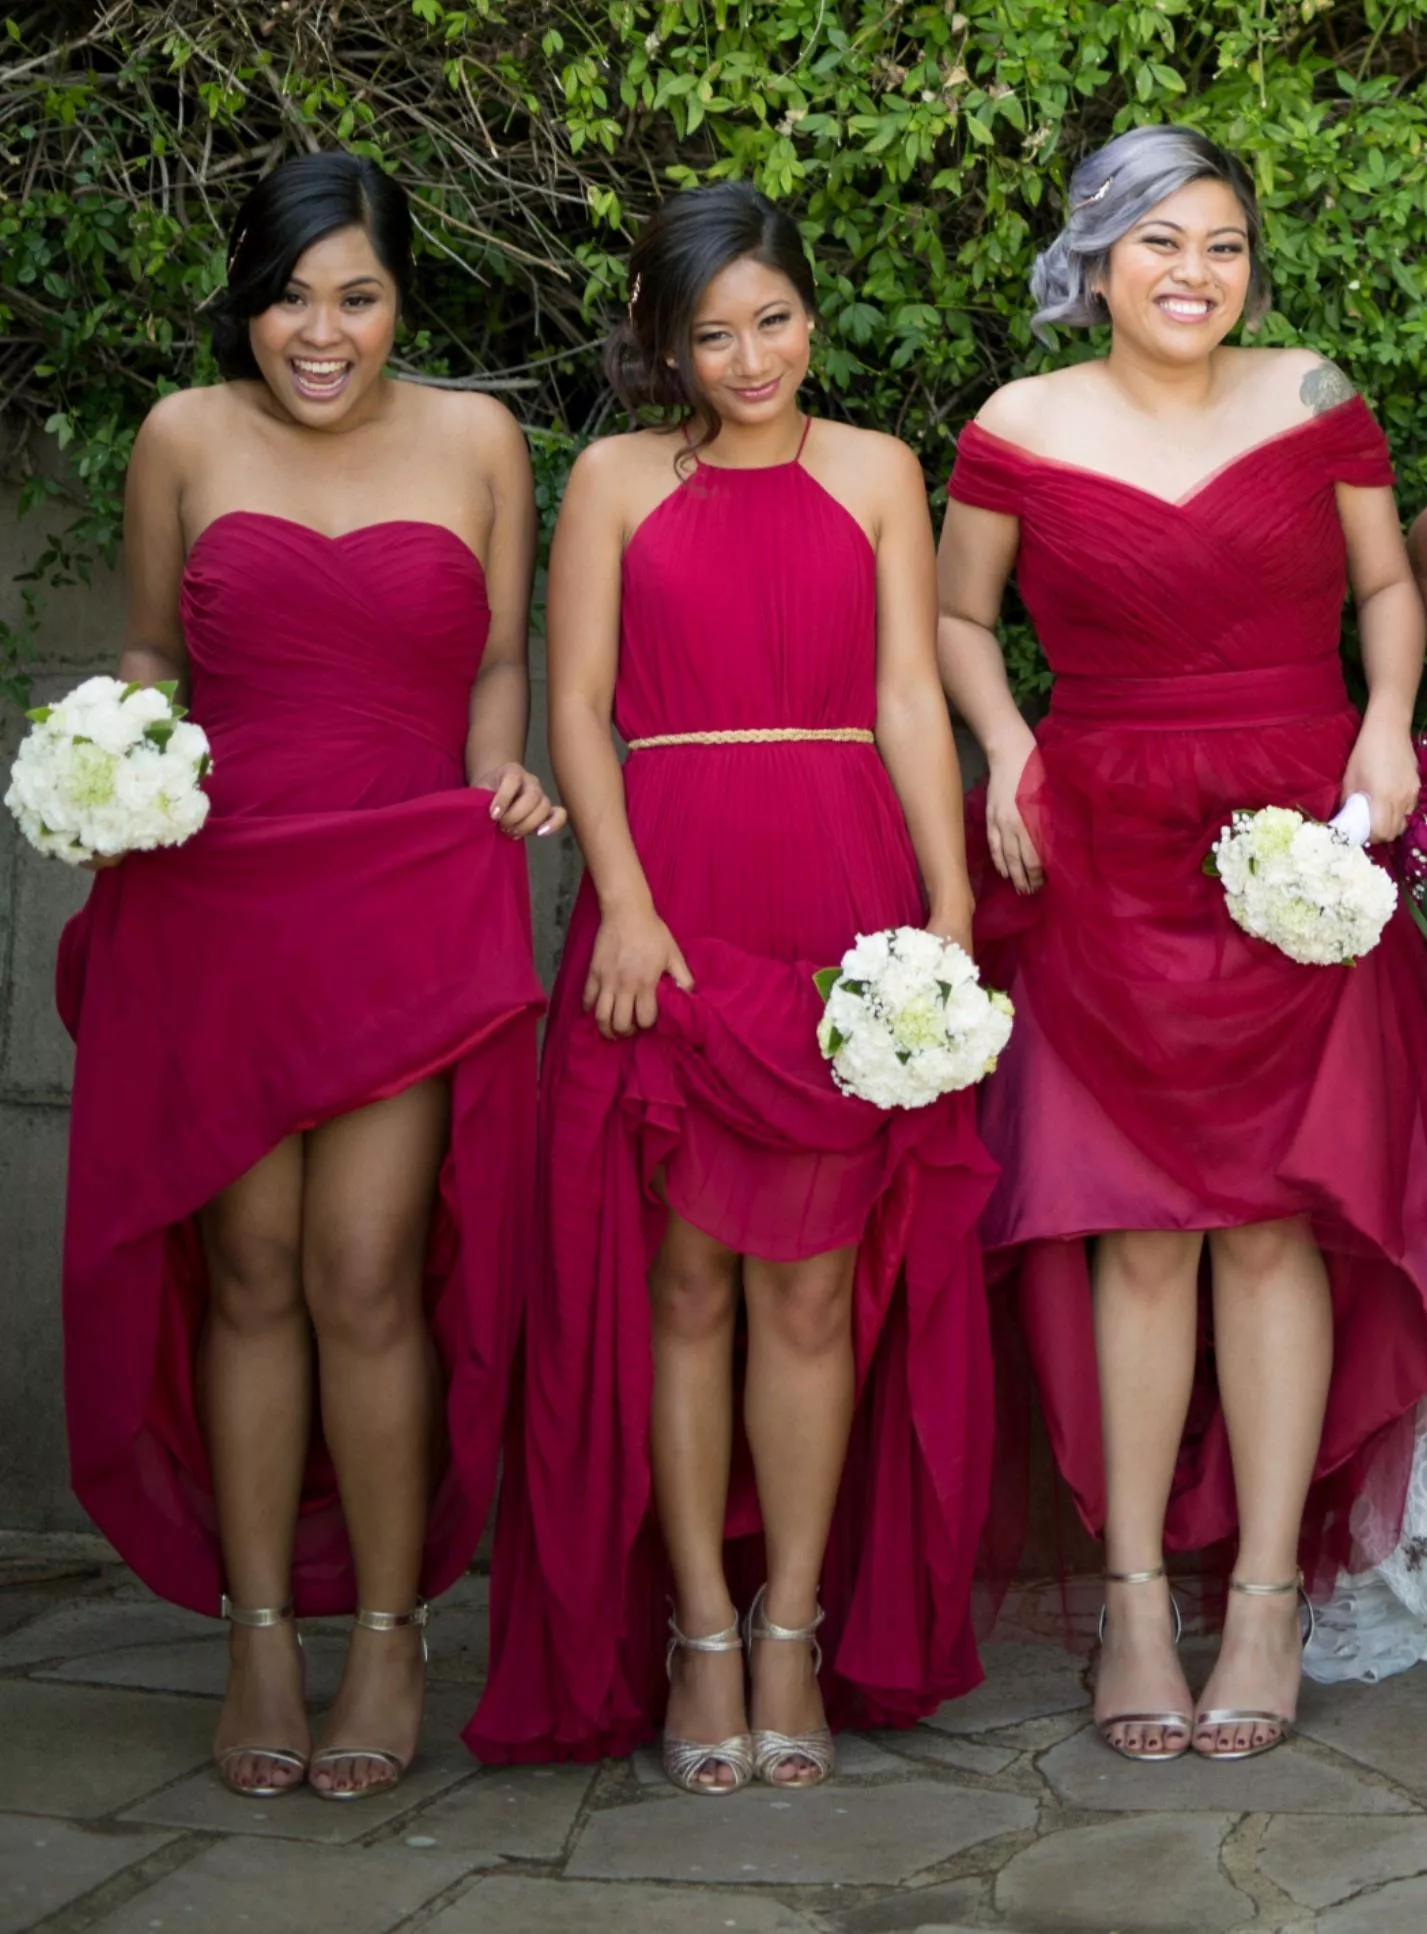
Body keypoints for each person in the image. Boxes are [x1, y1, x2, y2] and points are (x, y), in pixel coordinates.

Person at [465, 181, 998, 1792]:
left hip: (847, 903)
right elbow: (570, 706)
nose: (749, 356)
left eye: (772, 319)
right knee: (679, 1282)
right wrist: (618, 906)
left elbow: (911, 696)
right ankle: (698, 1631)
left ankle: (789, 1629)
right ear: (666, 343)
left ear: (809, 314)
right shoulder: (615, 478)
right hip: (673, 902)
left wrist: (952, 898)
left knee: (816, 1288)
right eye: (712, 332)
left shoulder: (883, 473)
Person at [57, 151, 561, 1800]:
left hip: (408, 885)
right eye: (288, 295)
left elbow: (497, 656)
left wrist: (501, 775)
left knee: (364, 1261)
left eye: (353, 295)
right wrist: (110, 756)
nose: (319, 331)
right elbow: (150, 649)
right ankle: (260, 1633)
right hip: (217, 890)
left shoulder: (482, 438)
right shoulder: (182, 438)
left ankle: (393, 1633)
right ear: (247, 302)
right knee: (254, 1264)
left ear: (402, 298)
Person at [937, 124, 1427, 1764]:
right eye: (1157, 243)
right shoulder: (1017, 423)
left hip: (1296, 830)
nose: (1192, 274)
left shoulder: (1311, 398)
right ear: (1093, 258)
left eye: (1220, 244)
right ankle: (1137, 1597)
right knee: (1134, 1230)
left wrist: (1387, 724)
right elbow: (953, 615)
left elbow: (1383, 585)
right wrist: (1007, 745)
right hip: (1105, 842)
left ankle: (1271, 1592)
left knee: (1275, 1225)